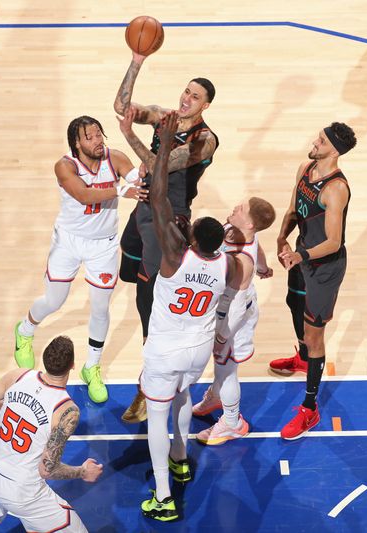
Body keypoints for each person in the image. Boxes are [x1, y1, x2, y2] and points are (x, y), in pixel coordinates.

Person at [130, 110, 240, 521]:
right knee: (182, 397)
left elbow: (158, 198)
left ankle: (163, 496)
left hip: (166, 349)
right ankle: (180, 457)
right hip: (198, 354)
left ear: (192, 237)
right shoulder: (225, 264)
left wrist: (161, 151)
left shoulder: (175, 257)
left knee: (156, 419)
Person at [113, 50, 220, 423]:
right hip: (145, 208)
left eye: (194, 96)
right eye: (185, 91)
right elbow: (121, 105)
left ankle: (151, 387)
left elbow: (161, 166)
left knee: (150, 306)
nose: (186, 98)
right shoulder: (164, 117)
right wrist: (137, 59)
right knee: (130, 272)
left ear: (205, 105)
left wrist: (129, 137)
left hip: (169, 217)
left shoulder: (205, 140)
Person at [13, 116, 146, 404]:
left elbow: (140, 179)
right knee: (54, 300)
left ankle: (92, 367)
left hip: (104, 245)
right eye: (90, 137)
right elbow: (84, 195)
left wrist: (146, 169)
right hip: (69, 242)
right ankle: (24, 331)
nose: (98, 140)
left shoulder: (116, 158)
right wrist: (121, 189)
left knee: (100, 309)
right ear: (77, 142)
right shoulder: (65, 166)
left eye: (99, 134)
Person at [271, 122, 357, 440]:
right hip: (302, 254)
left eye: (321, 141)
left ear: (334, 149)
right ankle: (303, 358)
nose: (314, 142)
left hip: (324, 267)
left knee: (314, 332)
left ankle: (310, 409)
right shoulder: (305, 168)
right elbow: (295, 209)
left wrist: (300, 257)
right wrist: (282, 238)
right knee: (293, 302)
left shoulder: (336, 189)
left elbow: (334, 241)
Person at [0, 335, 103, 532]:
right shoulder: (66, 410)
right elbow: (47, 470)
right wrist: (82, 472)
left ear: (45, 359)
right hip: (21, 490)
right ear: (72, 365)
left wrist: (7, 405)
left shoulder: (19, 376)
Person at [191, 198, 276, 445]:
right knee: (221, 366)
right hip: (223, 311)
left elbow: (237, 309)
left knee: (226, 369)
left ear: (249, 222)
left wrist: (222, 337)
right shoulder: (235, 230)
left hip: (232, 320)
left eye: (241, 209)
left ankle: (232, 422)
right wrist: (263, 267)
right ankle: (217, 397)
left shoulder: (241, 262)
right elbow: (258, 246)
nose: (235, 208)